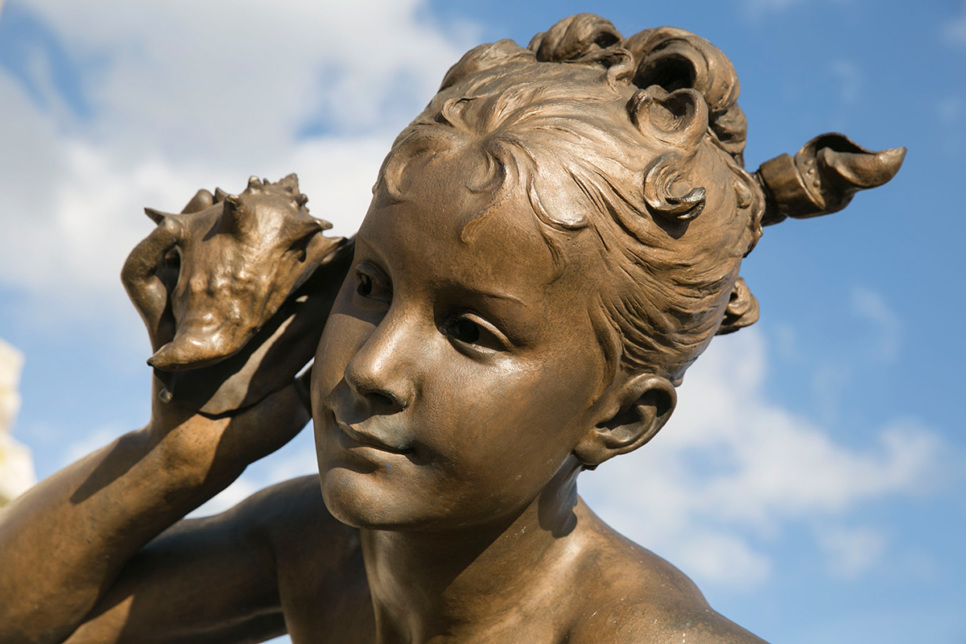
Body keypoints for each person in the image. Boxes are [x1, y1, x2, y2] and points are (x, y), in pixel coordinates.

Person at [0, 14, 903, 644]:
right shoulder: (316, 548)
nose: (375, 366)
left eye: (473, 333)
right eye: (370, 284)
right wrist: (182, 455)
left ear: (620, 421)